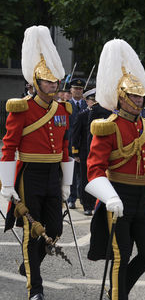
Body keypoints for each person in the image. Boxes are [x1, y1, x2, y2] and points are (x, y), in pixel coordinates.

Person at [0, 26, 74, 300]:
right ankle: (36, 289)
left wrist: (66, 182)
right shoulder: (21, 108)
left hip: (53, 174)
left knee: (55, 229)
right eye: (48, 81)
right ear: (36, 82)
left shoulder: (63, 109)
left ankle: (28, 267)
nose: (54, 85)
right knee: (34, 231)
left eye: (55, 81)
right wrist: (7, 184)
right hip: (30, 173)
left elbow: (66, 148)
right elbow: (8, 147)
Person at [85, 39, 145, 300]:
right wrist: (109, 196)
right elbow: (93, 171)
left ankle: (119, 289)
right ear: (122, 98)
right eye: (134, 96)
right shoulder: (107, 126)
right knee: (121, 254)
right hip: (118, 195)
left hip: (141, 199)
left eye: (141, 96)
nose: (140, 101)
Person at [71, 88, 98, 215]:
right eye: (92, 101)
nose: (94, 103)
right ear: (86, 101)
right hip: (84, 151)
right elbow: (75, 135)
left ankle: (95, 203)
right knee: (85, 179)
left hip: (97, 151)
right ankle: (87, 204)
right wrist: (75, 152)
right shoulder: (82, 115)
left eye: (95, 101)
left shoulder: (102, 114)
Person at [67, 77, 86, 209]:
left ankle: (84, 198)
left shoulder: (87, 105)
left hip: (84, 144)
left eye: (80, 89)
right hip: (70, 143)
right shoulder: (66, 106)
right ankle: (71, 198)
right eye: (75, 89)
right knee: (72, 174)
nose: (78, 91)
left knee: (84, 174)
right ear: (71, 90)